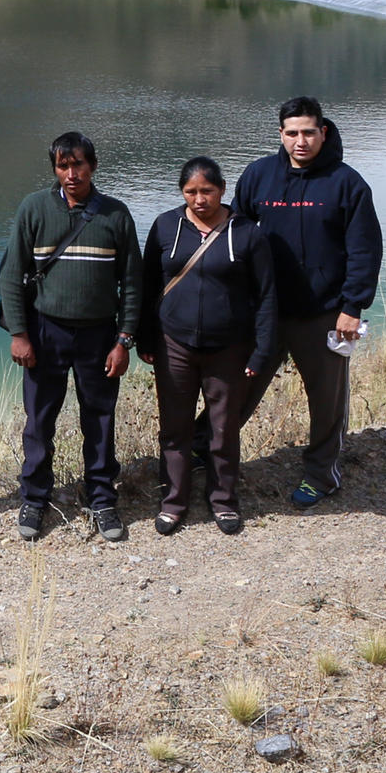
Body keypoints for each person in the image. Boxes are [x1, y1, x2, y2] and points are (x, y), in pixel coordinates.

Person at [233, 96, 383, 509]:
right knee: (238, 385)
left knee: (326, 400)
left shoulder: (347, 183)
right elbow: (236, 235)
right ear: (280, 134)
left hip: (324, 314)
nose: (301, 141)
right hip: (266, 310)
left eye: (309, 133)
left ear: (324, 132)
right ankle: (204, 451)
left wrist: (352, 307)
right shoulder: (258, 175)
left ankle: (322, 475)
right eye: (292, 133)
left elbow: (365, 250)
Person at [0, 131, 141, 543]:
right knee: (39, 419)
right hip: (46, 332)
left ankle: (101, 498)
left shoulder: (115, 214)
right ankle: (35, 498)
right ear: (55, 169)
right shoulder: (35, 208)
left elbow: (132, 284)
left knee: (99, 418)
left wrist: (124, 340)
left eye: (78, 164)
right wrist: (19, 333)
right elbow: (10, 277)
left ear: (92, 166)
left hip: (99, 334)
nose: (71, 173)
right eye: (63, 166)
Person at [137, 156, 277, 536]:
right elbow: (149, 283)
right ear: (182, 192)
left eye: (207, 191)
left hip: (229, 347)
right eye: (191, 192)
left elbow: (266, 297)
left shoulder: (247, 233)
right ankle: (173, 502)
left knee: (223, 429)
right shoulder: (167, 226)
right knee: (175, 428)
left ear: (222, 190)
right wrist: (145, 337)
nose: (199, 199)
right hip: (174, 345)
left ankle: (224, 502)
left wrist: (262, 350)